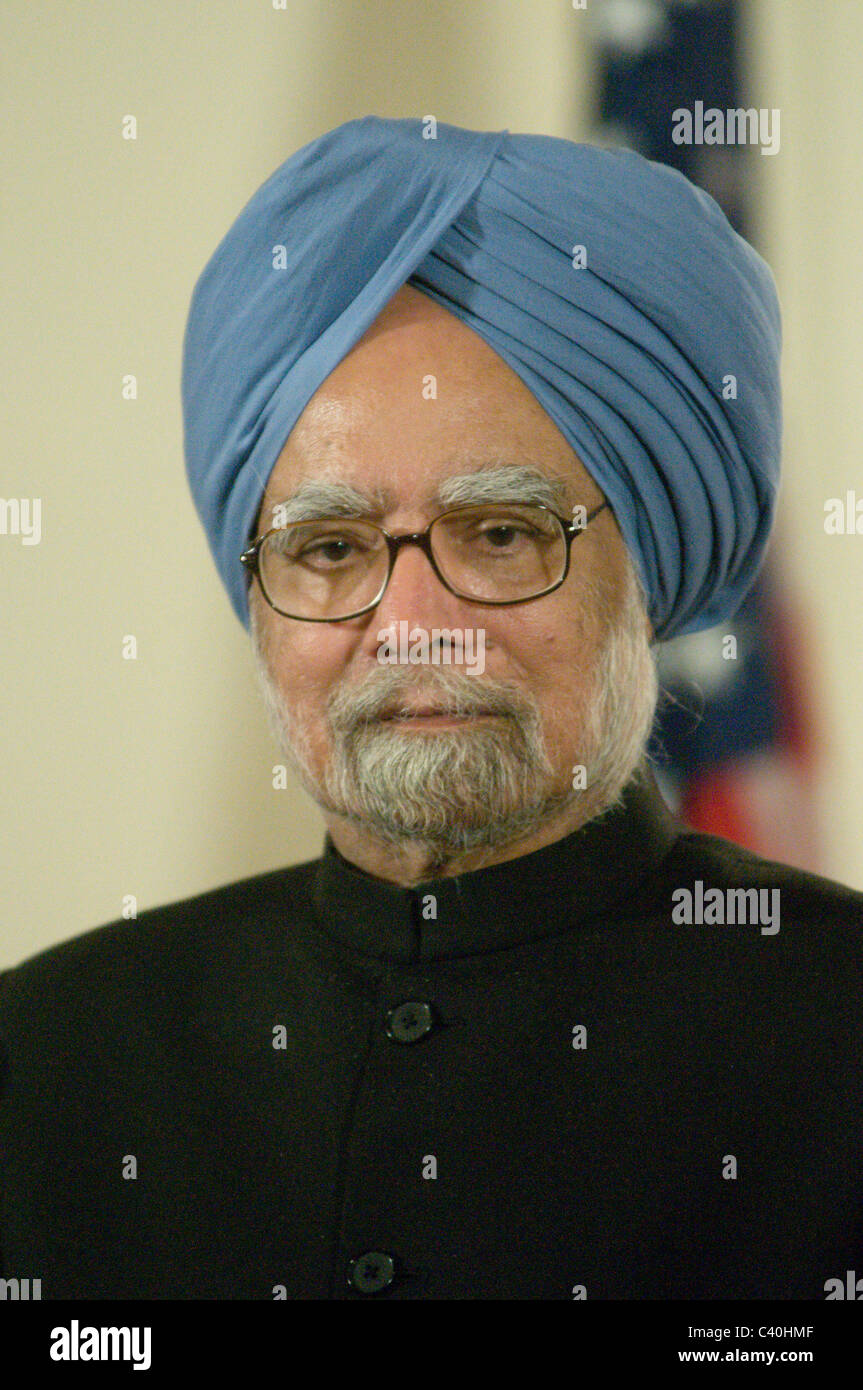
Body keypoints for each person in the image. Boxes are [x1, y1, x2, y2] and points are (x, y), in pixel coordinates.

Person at [1, 117, 860, 1301]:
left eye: (499, 533)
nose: (411, 624)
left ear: (645, 570)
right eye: (332, 547)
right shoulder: (45, 1057)